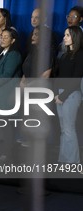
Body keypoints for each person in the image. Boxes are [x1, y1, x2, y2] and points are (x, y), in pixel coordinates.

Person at [0, 28, 22, 164]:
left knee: (8, 130)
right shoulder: (3, 53)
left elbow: (7, 74)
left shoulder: (14, 54)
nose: (3, 39)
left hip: (8, 96)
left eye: (6, 37)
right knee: (5, 128)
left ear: (13, 40)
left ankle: (9, 158)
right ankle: (5, 156)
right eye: (2, 37)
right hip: (1, 96)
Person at [53, 26, 83, 164]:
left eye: (67, 35)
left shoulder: (80, 55)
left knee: (69, 128)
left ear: (75, 37)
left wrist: (62, 96)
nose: (64, 37)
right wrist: (57, 94)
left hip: (71, 95)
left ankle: (73, 161)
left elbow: (76, 79)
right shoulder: (64, 55)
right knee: (64, 129)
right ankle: (64, 159)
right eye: (64, 35)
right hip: (60, 94)